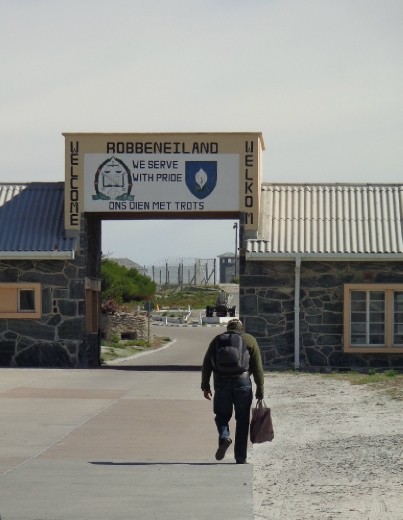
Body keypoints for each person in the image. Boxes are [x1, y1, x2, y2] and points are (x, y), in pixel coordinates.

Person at [201, 318, 264, 464]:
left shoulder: (217, 340)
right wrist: (260, 389)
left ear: (228, 328)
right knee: (242, 420)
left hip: (221, 383)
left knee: (221, 415)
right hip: (243, 383)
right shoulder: (250, 340)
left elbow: (206, 364)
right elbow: (257, 367)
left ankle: (224, 437)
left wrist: (205, 386)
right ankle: (240, 457)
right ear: (242, 328)